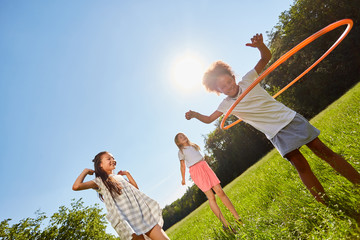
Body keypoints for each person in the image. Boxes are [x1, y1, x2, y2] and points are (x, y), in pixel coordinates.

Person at [185, 33, 360, 204]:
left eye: (229, 82)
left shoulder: (248, 79)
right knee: (301, 166)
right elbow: (209, 119)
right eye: (223, 87)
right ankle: (327, 203)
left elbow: (266, 58)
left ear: (233, 77)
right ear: (218, 91)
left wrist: (260, 46)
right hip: (276, 134)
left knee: (322, 151)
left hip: (289, 119)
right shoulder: (226, 105)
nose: (228, 87)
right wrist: (195, 115)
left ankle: (357, 181)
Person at [72, 151, 170, 240]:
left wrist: (127, 174)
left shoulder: (119, 177)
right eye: (109, 158)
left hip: (141, 213)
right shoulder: (100, 181)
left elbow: (135, 188)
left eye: (113, 158)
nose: (113, 160)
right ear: (100, 165)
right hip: (127, 219)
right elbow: (76, 186)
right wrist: (85, 171)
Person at [174, 132, 242, 230]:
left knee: (220, 192)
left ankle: (237, 217)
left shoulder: (193, 146)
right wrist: (183, 179)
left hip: (204, 166)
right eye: (180, 137)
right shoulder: (181, 152)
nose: (183, 136)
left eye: (183, 135)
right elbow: (182, 166)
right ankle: (226, 225)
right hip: (196, 171)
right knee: (211, 197)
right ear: (178, 142)